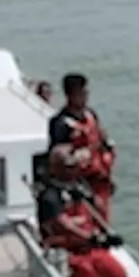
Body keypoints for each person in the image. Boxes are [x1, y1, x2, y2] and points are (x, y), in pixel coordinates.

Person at [37, 145, 126, 277]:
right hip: (67, 252)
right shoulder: (50, 196)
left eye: (75, 166)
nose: (74, 170)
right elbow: (63, 224)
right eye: (69, 167)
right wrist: (91, 237)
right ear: (56, 168)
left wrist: (106, 234)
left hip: (89, 248)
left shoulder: (78, 188)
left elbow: (94, 211)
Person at [48, 72, 116, 223]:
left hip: (100, 179)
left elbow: (101, 140)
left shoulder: (91, 114)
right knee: (88, 222)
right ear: (71, 95)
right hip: (80, 184)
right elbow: (58, 160)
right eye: (83, 93)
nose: (86, 96)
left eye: (87, 92)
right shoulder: (60, 124)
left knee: (104, 220)